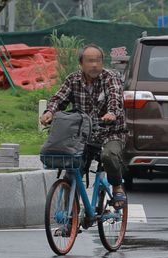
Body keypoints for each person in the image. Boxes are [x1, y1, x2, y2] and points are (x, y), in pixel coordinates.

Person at [40, 44, 127, 209]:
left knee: (109, 156)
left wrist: (111, 113)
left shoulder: (110, 78)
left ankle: (117, 187)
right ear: (81, 63)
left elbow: (115, 97)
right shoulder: (73, 80)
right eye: (90, 61)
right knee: (72, 171)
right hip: (82, 136)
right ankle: (69, 217)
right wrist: (49, 112)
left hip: (110, 132)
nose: (94, 65)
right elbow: (58, 99)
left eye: (98, 61)